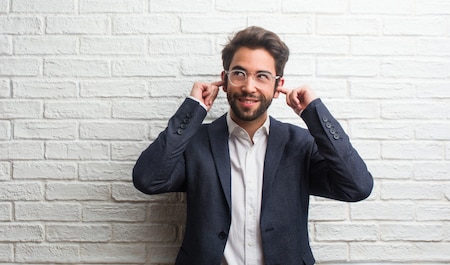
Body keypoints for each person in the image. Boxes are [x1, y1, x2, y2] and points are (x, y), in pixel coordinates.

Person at [132, 26, 374, 265]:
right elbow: (148, 179)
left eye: (262, 76)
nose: (249, 87)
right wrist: (192, 109)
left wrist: (313, 113)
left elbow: (357, 187)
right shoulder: (196, 144)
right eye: (239, 73)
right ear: (224, 80)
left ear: (278, 86)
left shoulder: (300, 144)